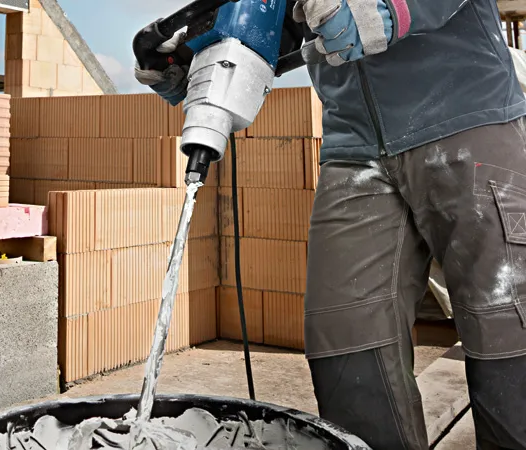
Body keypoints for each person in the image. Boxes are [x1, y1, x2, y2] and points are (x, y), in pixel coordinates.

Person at [135, 0, 526, 448]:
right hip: (353, 144)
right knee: (346, 341)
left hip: (467, 115)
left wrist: (393, 7)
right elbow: (286, 23)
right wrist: (193, 52)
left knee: (508, 326)